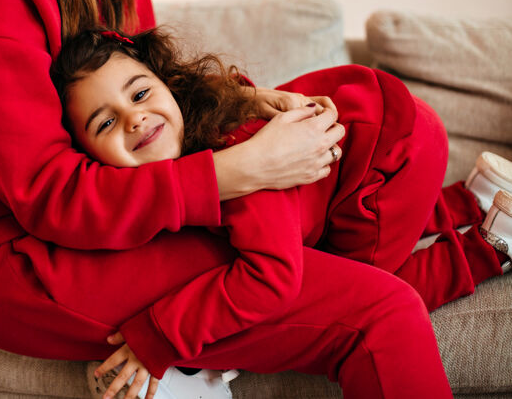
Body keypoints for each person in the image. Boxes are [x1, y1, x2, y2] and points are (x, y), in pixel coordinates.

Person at [0, 0, 510, 398]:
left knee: (351, 183)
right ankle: (480, 240)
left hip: (127, 198)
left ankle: (471, 222)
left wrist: (247, 105)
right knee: (380, 311)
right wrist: (237, 171)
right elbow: (48, 192)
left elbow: (152, 79)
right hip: (32, 256)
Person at [49, 27, 512, 398]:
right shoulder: (173, 173)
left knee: (362, 295)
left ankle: (490, 246)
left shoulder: (240, 168)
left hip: (389, 155)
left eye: (140, 93)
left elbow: (272, 278)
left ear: (169, 86)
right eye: (105, 122)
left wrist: (160, 334)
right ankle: (469, 200)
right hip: (369, 143)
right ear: (87, 158)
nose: (134, 119)